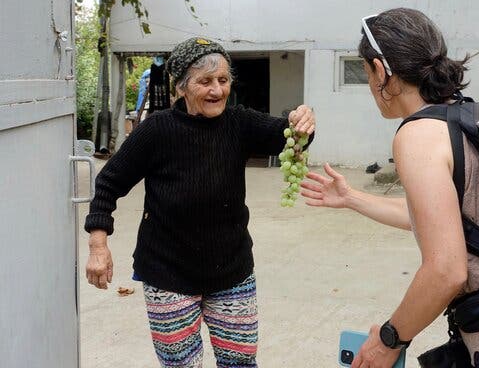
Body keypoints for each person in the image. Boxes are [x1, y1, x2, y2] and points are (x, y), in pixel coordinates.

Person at [301, 8, 479, 368]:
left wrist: (389, 339)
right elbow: (444, 220)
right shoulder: (467, 118)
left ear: (380, 71)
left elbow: (446, 270)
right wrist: (351, 198)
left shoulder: (417, 135)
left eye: (366, 74)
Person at [84, 37, 315, 368]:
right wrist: (98, 244)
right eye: (205, 81)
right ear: (180, 87)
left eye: (223, 80)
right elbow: (109, 182)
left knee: (240, 363)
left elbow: (291, 136)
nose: (217, 90)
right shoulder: (157, 130)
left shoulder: (239, 123)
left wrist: (303, 120)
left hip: (231, 273)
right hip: (168, 275)